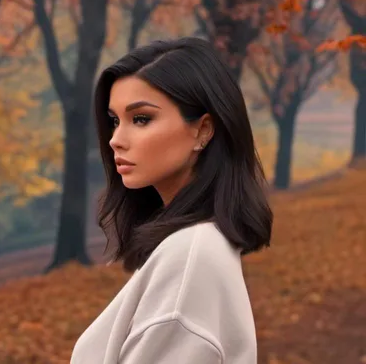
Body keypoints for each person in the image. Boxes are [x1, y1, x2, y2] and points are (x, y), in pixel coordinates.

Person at [70, 37, 273, 364]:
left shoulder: (190, 259)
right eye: (114, 120)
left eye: (141, 119)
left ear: (203, 130)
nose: (115, 140)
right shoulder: (194, 246)